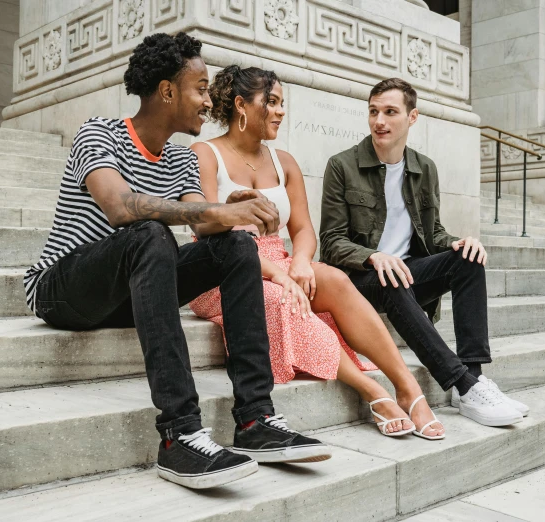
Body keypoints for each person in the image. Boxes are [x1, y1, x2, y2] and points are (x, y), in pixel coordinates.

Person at [23, 33, 331, 490]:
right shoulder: (98, 133)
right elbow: (120, 207)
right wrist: (214, 210)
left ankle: (254, 419)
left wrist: (233, 205)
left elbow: (205, 225)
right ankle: (179, 434)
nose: (209, 101)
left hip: (126, 294)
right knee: (147, 232)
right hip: (62, 291)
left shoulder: (181, 160)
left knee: (238, 245)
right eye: (201, 88)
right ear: (167, 91)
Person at [189, 65, 445, 440]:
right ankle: (370, 389)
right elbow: (202, 226)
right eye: (271, 102)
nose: (280, 111)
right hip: (220, 266)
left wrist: (301, 263)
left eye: (281, 103)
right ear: (241, 105)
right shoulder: (205, 153)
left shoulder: (285, 162)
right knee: (281, 297)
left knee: (336, 280)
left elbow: (304, 230)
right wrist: (278, 273)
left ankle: (407, 386)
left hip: (279, 258)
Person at [319, 77, 529, 428]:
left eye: (390, 112)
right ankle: (460, 381)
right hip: (359, 279)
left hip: (404, 271)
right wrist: (373, 256)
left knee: (468, 260)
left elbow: (432, 234)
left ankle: (473, 383)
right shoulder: (342, 166)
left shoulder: (423, 168)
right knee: (392, 274)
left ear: (412, 117)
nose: (379, 121)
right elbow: (332, 241)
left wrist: (457, 243)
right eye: (373, 111)